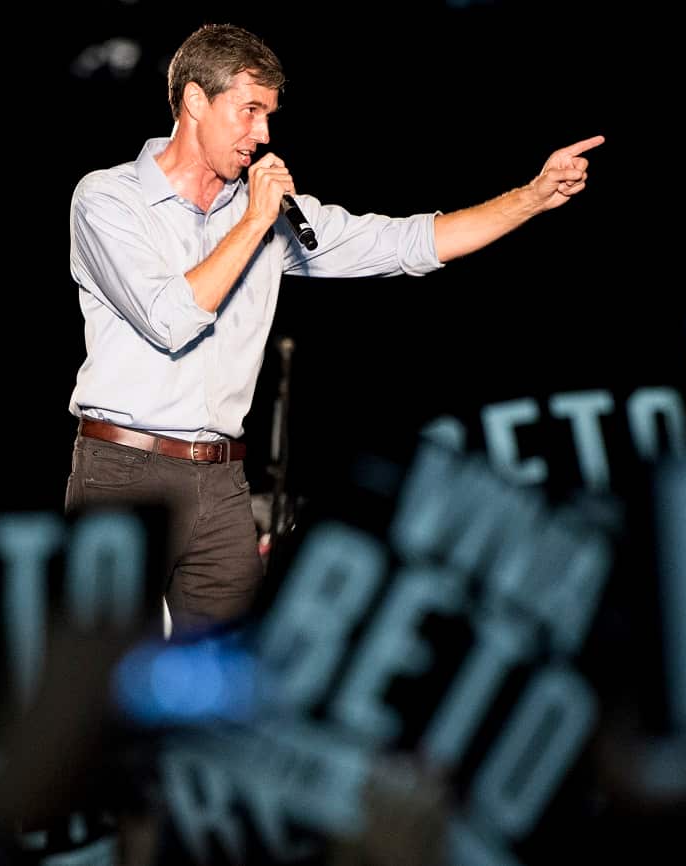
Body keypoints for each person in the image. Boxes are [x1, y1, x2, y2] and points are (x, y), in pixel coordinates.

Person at [65, 22, 603, 637]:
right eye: (248, 111)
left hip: (222, 481)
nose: (263, 135)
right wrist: (257, 220)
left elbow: (405, 243)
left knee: (233, 685)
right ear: (194, 101)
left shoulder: (264, 215)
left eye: (268, 115)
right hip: (124, 469)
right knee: (103, 679)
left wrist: (529, 197)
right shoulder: (108, 198)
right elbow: (171, 317)